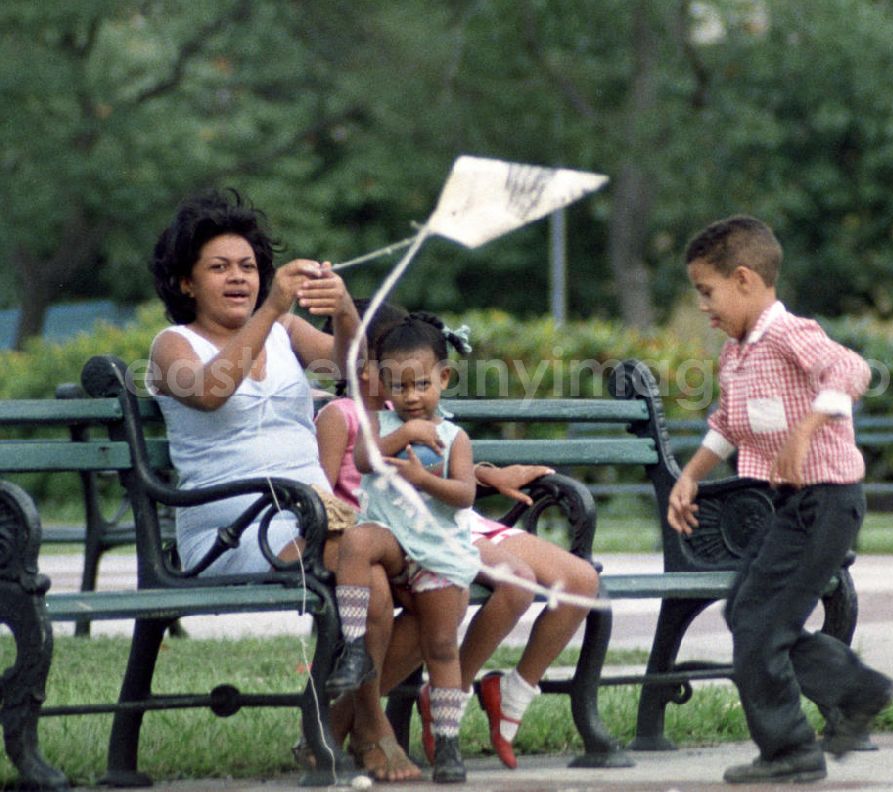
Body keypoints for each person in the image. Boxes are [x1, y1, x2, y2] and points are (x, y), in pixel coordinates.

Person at [146, 188, 397, 769]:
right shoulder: (171, 346)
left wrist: (342, 311)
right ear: (187, 283)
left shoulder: (282, 330)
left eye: (249, 268)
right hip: (233, 527)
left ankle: (332, 731)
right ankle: (370, 730)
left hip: (312, 514)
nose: (239, 278)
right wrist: (270, 310)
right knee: (369, 575)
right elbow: (210, 391)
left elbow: (354, 368)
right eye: (219, 268)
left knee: (395, 582)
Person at [315, 301, 599, 771]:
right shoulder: (352, 416)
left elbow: (444, 462)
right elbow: (339, 487)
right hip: (395, 527)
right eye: (381, 368)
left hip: (445, 519)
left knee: (579, 580)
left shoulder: (413, 411)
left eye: (415, 376)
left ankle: (488, 695)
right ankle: (426, 702)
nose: (399, 385)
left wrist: (486, 474)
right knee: (513, 580)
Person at [666, 215, 893, 785]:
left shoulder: (790, 333)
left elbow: (850, 369)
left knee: (763, 626)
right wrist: (690, 475)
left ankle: (791, 749)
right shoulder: (737, 353)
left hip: (827, 503)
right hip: (792, 509)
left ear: (744, 279)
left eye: (706, 291)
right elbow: (727, 424)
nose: (702, 306)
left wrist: (806, 429)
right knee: (746, 609)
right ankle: (857, 691)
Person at [331, 311, 479, 784]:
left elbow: (465, 494)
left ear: (444, 378)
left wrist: (422, 479)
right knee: (356, 540)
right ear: (383, 385)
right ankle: (355, 647)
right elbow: (361, 459)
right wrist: (404, 436)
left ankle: (449, 744)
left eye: (421, 385)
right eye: (399, 387)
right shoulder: (383, 424)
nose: (411, 397)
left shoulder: (455, 437)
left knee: (441, 647)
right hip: (393, 539)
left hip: (436, 549)